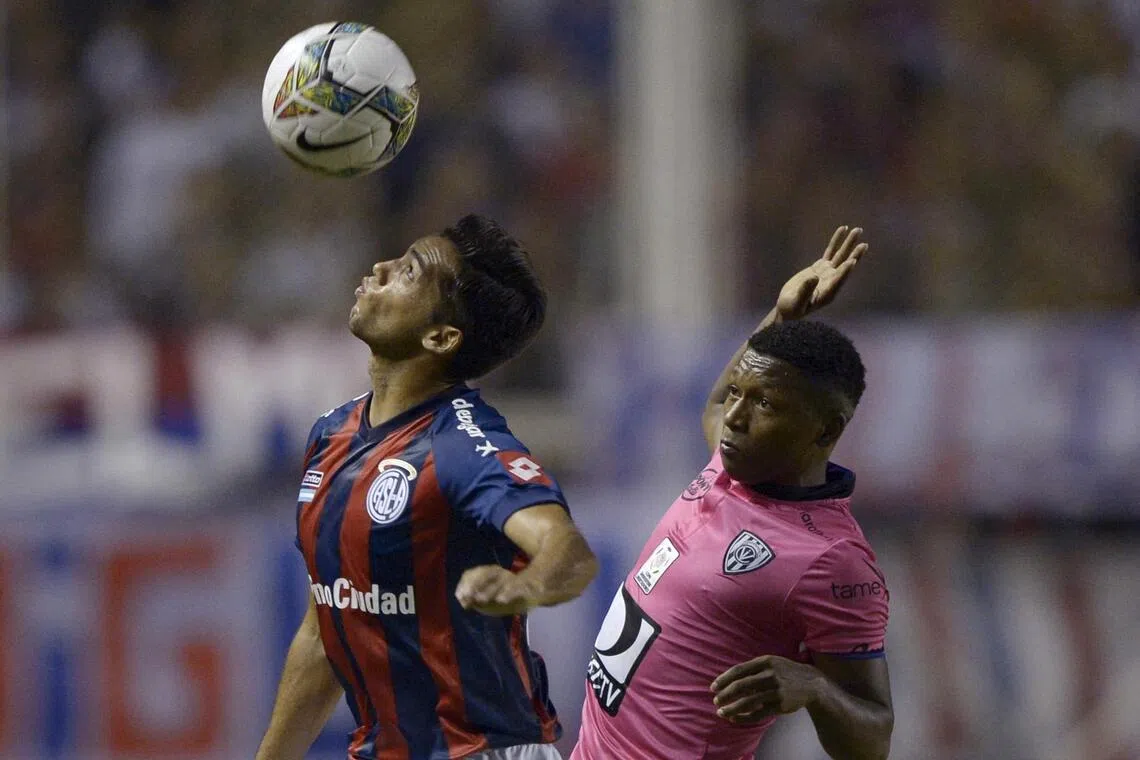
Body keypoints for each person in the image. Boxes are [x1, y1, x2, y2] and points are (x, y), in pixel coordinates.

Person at [256, 214, 599, 760]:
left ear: (440, 336)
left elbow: (569, 552)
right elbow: (326, 631)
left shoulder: (463, 443)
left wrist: (524, 586)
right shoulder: (330, 435)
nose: (381, 267)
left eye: (409, 271)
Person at [572, 226, 893, 760]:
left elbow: (874, 738)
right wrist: (783, 317)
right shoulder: (732, 464)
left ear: (826, 432)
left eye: (765, 405)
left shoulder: (832, 561)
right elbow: (716, 405)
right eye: (740, 394)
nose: (736, 416)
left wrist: (814, 688)